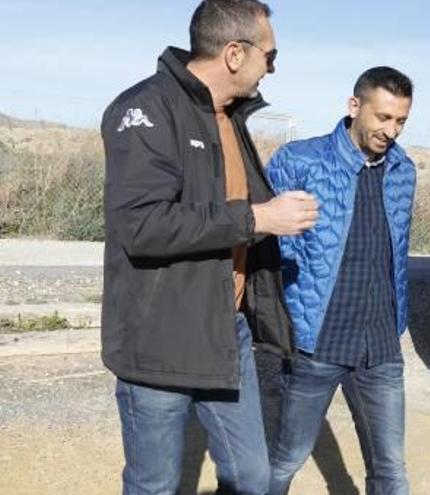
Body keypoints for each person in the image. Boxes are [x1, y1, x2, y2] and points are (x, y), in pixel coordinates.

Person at [100, 1, 318, 493]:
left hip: (226, 331)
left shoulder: (229, 118)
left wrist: (274, 222)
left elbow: (231, 215)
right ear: (236, 54)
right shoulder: (145, 109)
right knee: (154, 484)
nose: (275, 67)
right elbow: (141, 225)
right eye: (271, 55)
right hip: (159, 339)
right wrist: (259, 217)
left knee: (251, 478)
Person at [265, 66, 416, 495]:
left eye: (401, 120)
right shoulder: (300, 161)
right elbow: (271, 248)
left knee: (391, 470)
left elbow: (396, 253)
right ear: (355, 107)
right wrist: (288, 316)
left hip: (382, 344)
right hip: (318, 342)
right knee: (286, 460)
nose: (391, 130)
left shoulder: (404, 170)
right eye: (383, 117)